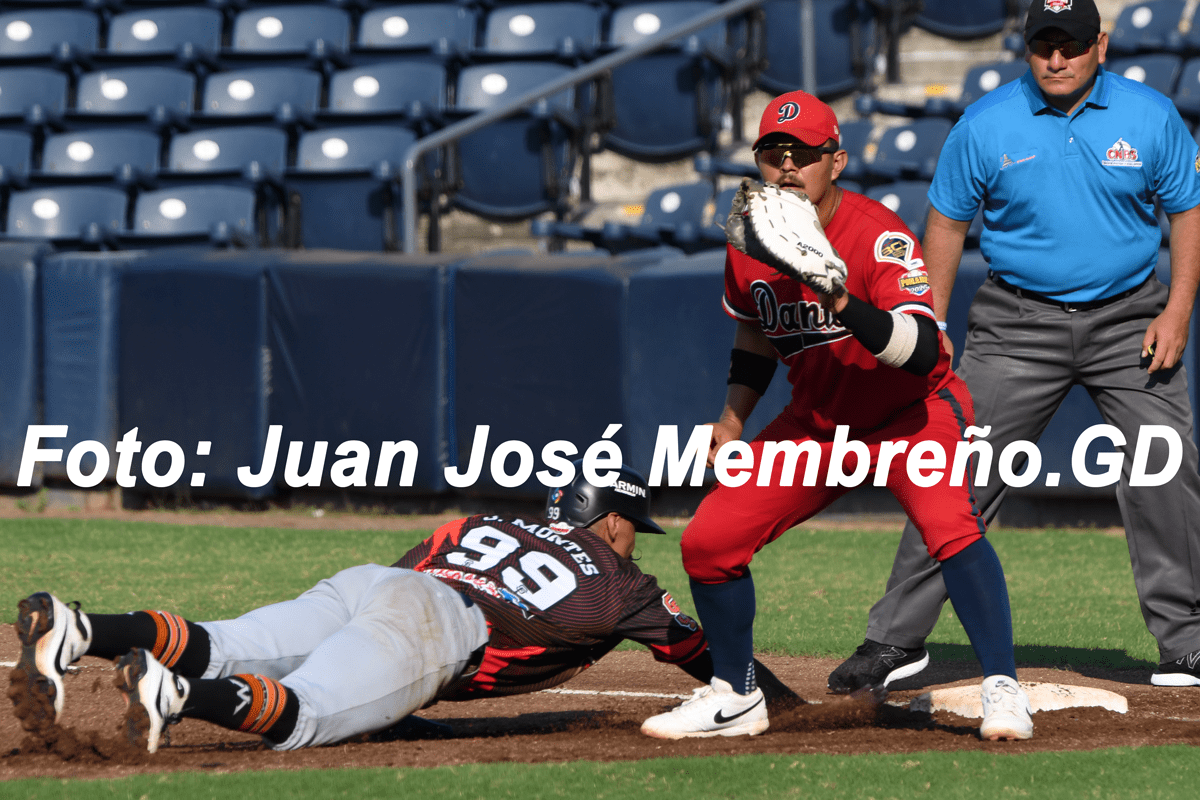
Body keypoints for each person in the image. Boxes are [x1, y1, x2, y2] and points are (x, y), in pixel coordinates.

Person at [828, 0, 1200, 695]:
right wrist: (928, 327)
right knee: (956, 472)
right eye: (1043, 45)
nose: (1057, 58)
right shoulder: (987, 122)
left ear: (1102, 44)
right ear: (1025, 48)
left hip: (1130, 321)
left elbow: (1187, 211)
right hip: (1015, 325)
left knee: (1164, 470)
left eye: (1072, 44)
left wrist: (1177, 310)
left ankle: (1187, 642)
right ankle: (896, 639)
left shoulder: (1150, 116)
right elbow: (945, 222)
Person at [639, 90, 1033, 742]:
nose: (788, 166)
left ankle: (1002, 686)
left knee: (951, 529)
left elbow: (923, 349)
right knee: (708, 542)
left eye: (804, 154)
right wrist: (733, 420)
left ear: (837, 160)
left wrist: (840, 296)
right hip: (819, 423)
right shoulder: (752, 239)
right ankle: (736, 695)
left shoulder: (877, 233)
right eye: (774, 152)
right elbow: (756, 337)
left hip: (911, 413)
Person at [12, 464, 751, 753]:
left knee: (220, 640)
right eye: (635, 527)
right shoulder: (624, 585)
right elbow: (705, 660)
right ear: (615, 521)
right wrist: (758, 697)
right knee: (307, 712)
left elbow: (403, 584)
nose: (637, 541)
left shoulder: (480, 523)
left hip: (375, 582)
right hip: (442, 625)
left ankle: (81, 628)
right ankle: (175, 694)